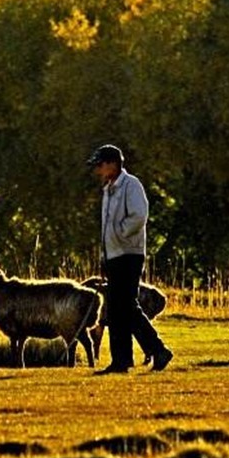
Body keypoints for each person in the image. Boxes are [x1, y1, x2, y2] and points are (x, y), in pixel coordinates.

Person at [87, 144, 173, 373]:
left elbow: (138, 215)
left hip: (129, 254)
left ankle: (154, 350)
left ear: (112, 164)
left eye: (100, 165)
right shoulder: (109, 190)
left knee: (124, 306)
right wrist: (105, 256)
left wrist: (119, 233)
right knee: (118, 309)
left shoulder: (131, 185)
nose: (98, 170)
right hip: (114, 256)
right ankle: (125, 359)